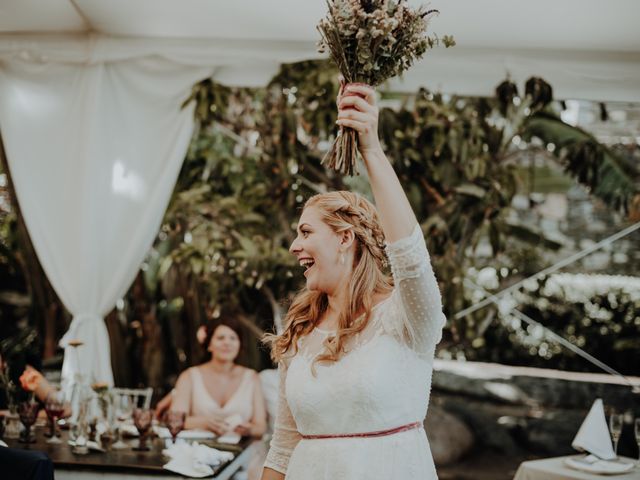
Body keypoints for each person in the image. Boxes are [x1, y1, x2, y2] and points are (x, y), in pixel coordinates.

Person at [261, 84, 447, 480]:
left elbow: (410, 258)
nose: (294, 246)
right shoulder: (299, 331)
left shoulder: (407, 319)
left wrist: (371, 150)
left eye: (306, 232)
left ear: (345, 238)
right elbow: (283, 446)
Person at [171, 314, 267, 438]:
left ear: (239, 345)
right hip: (197, 451)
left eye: (233, 338)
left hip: (242, 452)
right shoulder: (189, 376)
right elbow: (174, 420)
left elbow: (261, 426)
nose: (227, 343)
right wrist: (204, 423)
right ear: (209, 345)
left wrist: (249, 430)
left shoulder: (252, 377)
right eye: (220, 338)